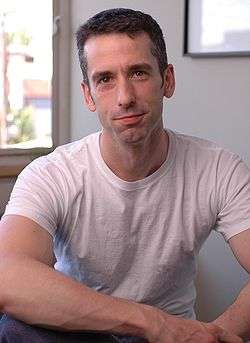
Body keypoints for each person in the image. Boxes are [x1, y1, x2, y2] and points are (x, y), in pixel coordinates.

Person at [0, 7, 249, 343]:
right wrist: (153, 322)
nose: (125, 98)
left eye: (138, 73)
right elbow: (7, 275)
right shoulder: (51, 174)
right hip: (82, 332)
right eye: (105, 79)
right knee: (14, 328)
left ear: (168, 80)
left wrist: (216, 335)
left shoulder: (218, 168)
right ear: (88, 94)